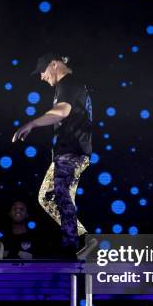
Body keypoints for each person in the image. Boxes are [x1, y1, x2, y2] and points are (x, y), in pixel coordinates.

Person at [12, 52, 92, 258]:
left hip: (72, 152)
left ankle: (72, 245)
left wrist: (32, 123)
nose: (41, 77)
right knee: (46, 196)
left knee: (61, 194)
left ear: (54, 65)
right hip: (64, 153)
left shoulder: (69, 84)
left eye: (42, 71)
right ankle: (84, 239)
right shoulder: (64, 87)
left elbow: (62, 111)